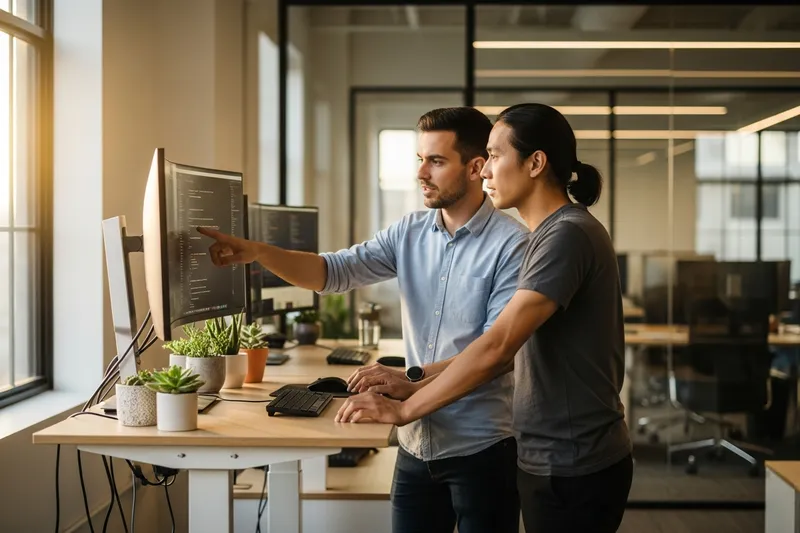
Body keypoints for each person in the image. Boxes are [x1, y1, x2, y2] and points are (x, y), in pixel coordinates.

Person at [198, 107, 529, 533]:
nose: (421, 173)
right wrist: (259, 253)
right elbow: (331, 272)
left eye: (436, 161)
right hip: (414, 446)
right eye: (419, 160)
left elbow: (495, 353)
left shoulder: (513, 245)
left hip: (480, 449)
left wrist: (409, 385)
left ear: (475, 167)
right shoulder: (408, 232)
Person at [337, 103, 634, 533]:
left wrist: (405, 411)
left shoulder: (565, 236)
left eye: (495, 156)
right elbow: (496, 343)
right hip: (552, 456)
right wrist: (415, 381)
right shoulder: (548, 236)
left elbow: (497, 349)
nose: (485, 170)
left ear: (535, 163)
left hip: (573, 462)